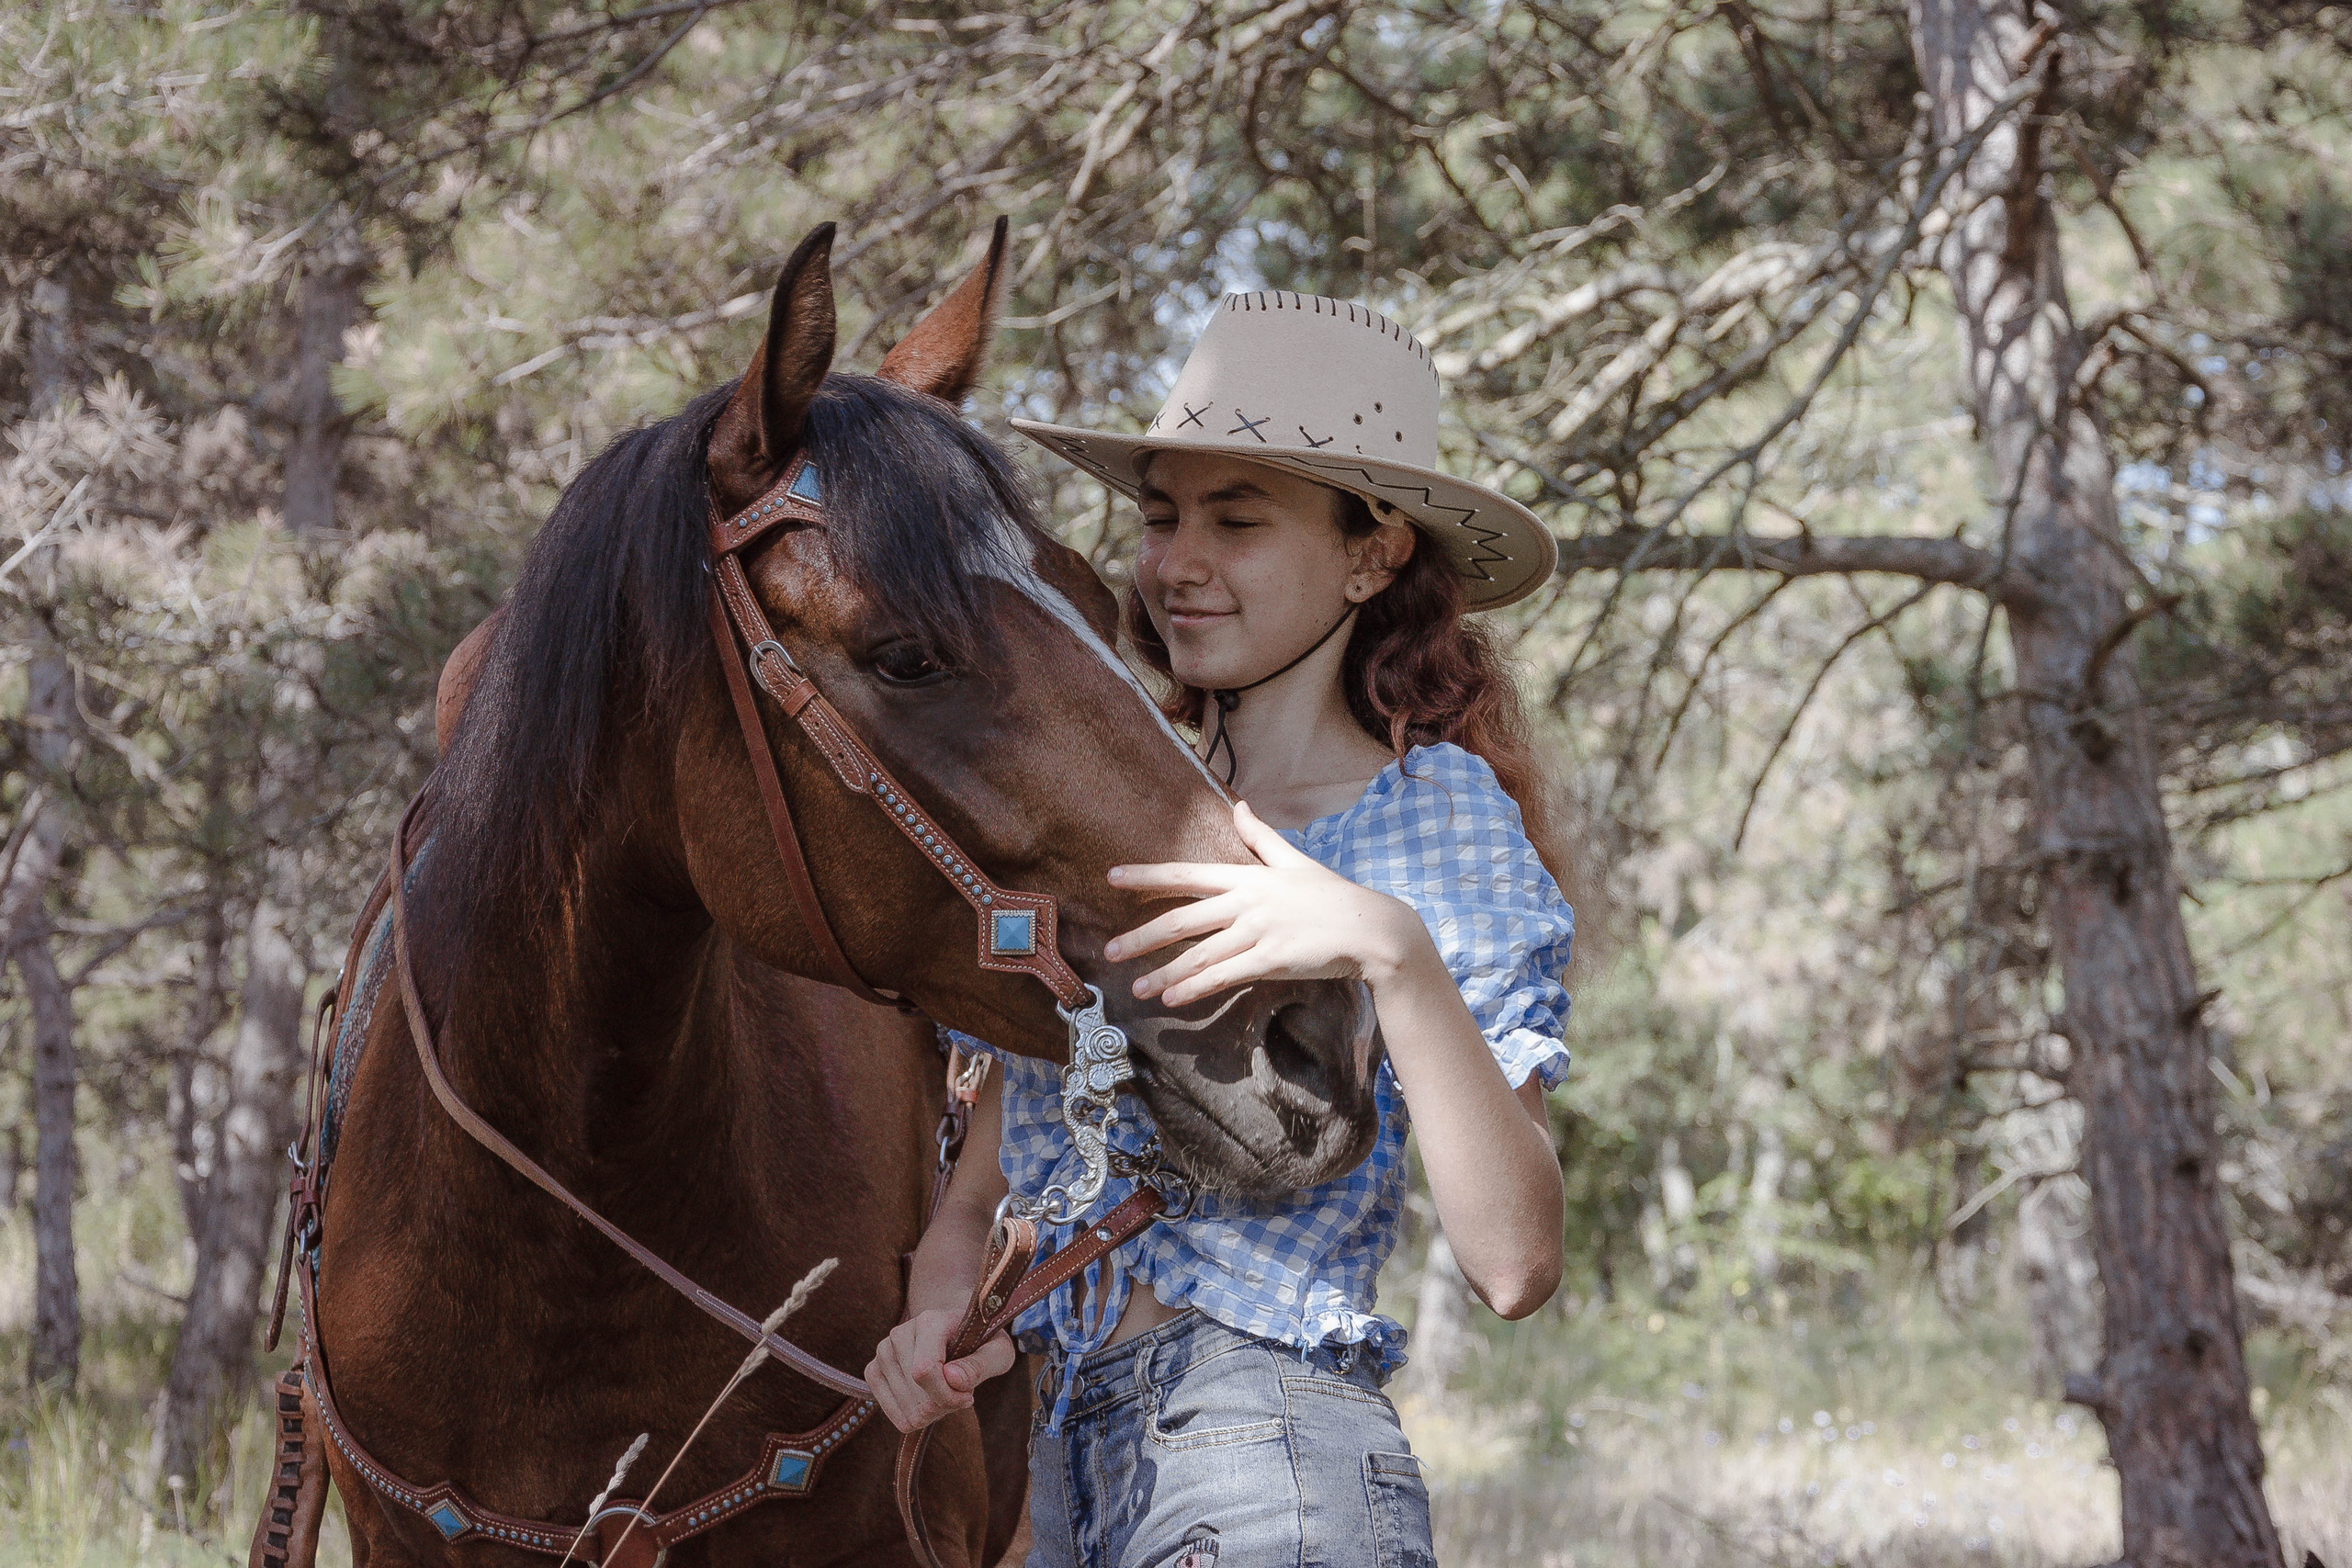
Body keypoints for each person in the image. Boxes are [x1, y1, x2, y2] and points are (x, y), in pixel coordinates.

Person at [865, 289, 1576, 1568]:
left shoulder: (1432, 822)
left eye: (1237, 520)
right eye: (1161, 515)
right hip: (1054, 1479)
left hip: (1269, 1465)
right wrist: (933, 1323)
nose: (1178, 560)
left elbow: (1517, 1264)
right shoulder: (1098, 819)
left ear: (1373, 557)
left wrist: (1386, 948)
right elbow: (975, 1203)